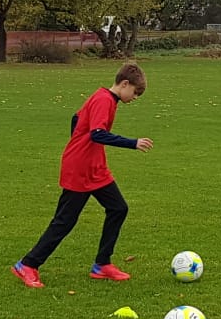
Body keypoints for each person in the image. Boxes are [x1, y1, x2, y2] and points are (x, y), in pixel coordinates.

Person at [11, 63, 151, 288]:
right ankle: (28, 264)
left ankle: (102, 264)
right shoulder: (104, 100)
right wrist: (131, 143)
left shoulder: (105, 98)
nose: (135, 97)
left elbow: (76, 118)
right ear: (125, 84)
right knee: (65, 220)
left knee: (118, 208)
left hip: (95, 168)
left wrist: (79, 141)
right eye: (135, 92)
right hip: (80, 169)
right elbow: (98, 134)